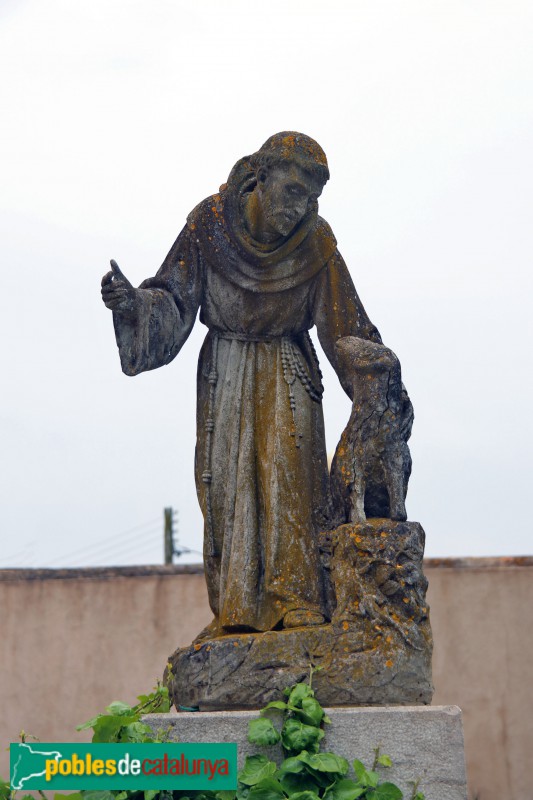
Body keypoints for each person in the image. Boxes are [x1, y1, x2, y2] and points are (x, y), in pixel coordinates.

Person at [101, 132, 385, 636]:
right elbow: (172, 298)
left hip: (288, 371)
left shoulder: (316, 246)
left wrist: (377, 379)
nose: (301, 210)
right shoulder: (209, 226)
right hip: (225, 371)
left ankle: (297, 600)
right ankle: (237, 609)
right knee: (227, 489)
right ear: (259, 177)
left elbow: (348, 331)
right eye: (294, 192)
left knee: (291, 482)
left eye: (312, 200)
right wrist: (133, 307)